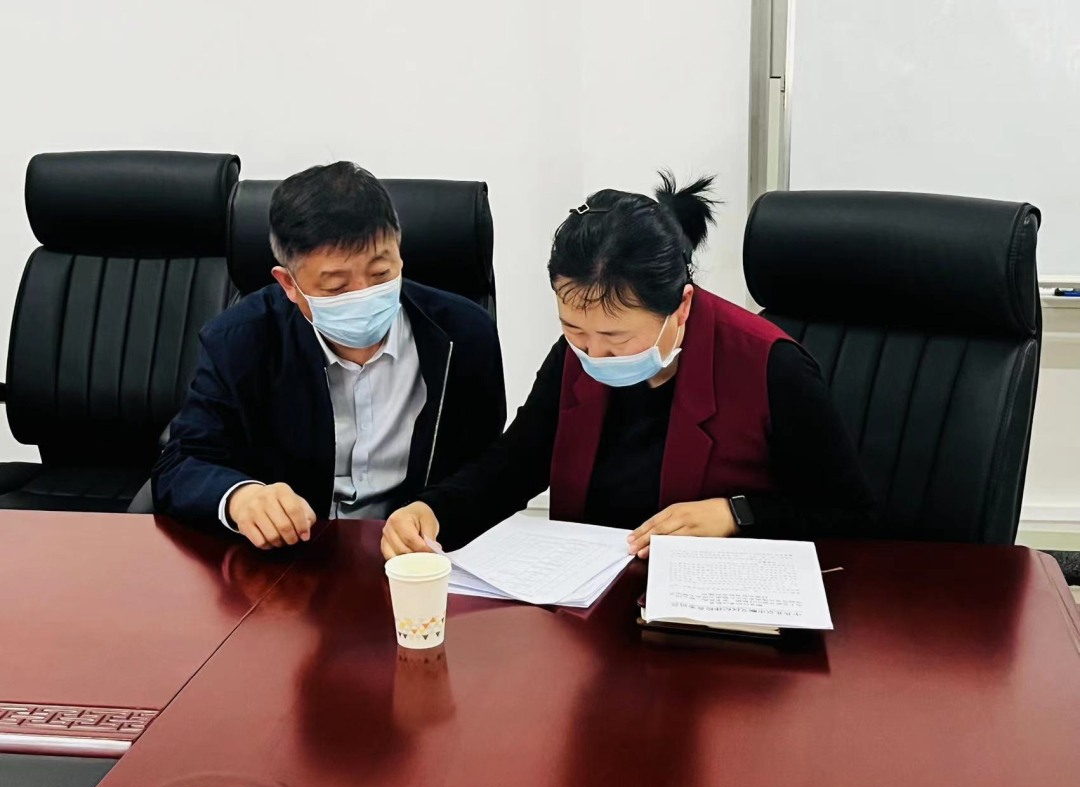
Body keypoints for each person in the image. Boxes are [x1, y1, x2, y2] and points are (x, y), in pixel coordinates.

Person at [382, 171, 876, 560]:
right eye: (574, 330)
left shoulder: (770, 366)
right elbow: (515, 464)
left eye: (616, 339)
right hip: (593, 599)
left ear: (681, 307)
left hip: (714, 619)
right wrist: (432, 510)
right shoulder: (576, 354)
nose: (593, 355)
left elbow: (851, 515)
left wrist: (736, 515)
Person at [153, 162, 506, 550]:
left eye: (380, 273)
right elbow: (180, 463)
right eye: (337, 286)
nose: (363, 294)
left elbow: (488, 469)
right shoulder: (240, 340)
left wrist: (435, 511)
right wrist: (242, 497)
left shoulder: (464, 335)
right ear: (289, 284)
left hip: (415, 559)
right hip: (292, 559)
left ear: (400, 254)